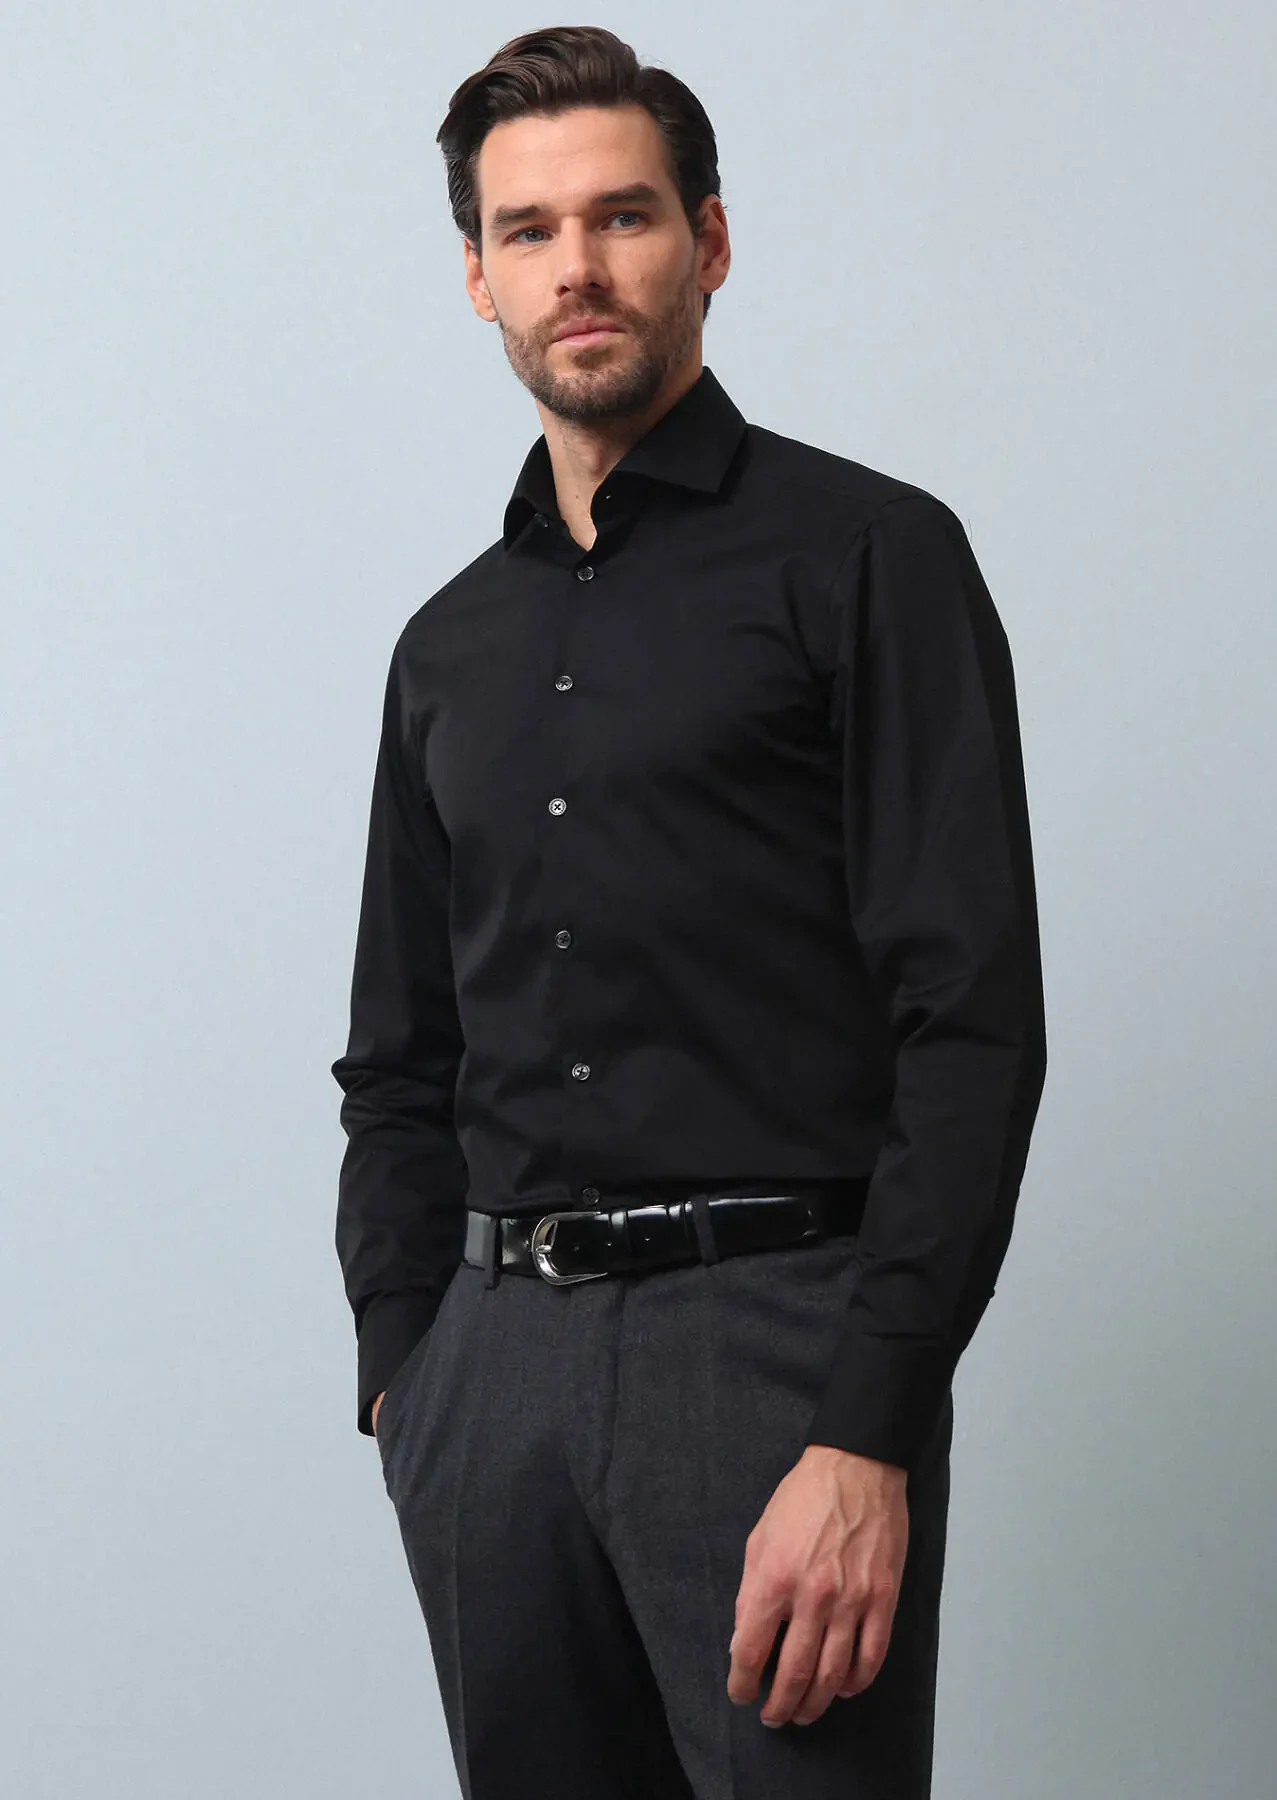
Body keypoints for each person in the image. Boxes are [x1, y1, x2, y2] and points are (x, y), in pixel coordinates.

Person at [332, 24, 1047, 1800]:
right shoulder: (446, 647)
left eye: (624, 216)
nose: (575, 267)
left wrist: (870, 1431)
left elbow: (970, 1022)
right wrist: (411, 1375)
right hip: (492, 1383)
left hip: (777, 1352)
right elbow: (400, 1051)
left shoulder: (869, 558)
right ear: (477, 277)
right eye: (527, 230)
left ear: (709, 241)